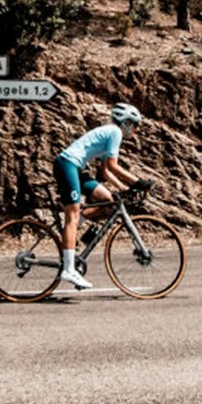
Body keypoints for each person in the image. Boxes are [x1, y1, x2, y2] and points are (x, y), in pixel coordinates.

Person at [52, 102, 145, 289]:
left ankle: (77, 226)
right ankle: (68, 269)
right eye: (134, 125)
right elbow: (113, 166)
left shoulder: (111, 133)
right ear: (126, 123)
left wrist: (123, 187)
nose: (136, 129)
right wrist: (137, 182)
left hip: (76, 167)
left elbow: (105, 171)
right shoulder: (115, 132)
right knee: (72, 214)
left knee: (108, 201)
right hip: (67, 164)